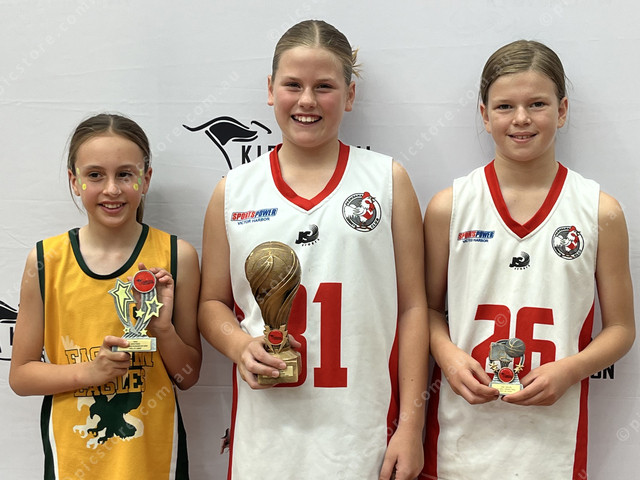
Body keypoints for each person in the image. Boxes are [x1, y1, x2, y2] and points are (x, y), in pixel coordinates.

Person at [198, 19, 428, 480]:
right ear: (270, 89)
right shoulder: (234, 191)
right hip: (266, 438)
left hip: (362, 434)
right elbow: (210, 304)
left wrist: (411, 426)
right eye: (293, 85)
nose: (307, 100)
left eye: (324, 86)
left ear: (349, 94)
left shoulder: (387, 180)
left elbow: (412, 308)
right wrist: (240, 345)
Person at [422, 40, 635, 479]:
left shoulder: (599, 211)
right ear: (484, 115)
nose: (521, 119)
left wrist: (571, 369)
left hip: (553, 447)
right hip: (458, 444)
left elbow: (621, 329)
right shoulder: (450, 207)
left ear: (562, 110)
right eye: (505, 106)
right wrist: (447, 355)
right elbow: (423, 310)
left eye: (537, 104)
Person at [9, 113, 202, 479]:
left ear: (145, 179)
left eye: (125, 174)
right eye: (95, 175)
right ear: (75, 181)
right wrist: (90, 372)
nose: (112, 189)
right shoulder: (46, 260)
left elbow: (188, 375)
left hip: (154, 463)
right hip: (73, 463)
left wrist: (162, 330)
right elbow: (21, 376)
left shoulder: (178, 257)